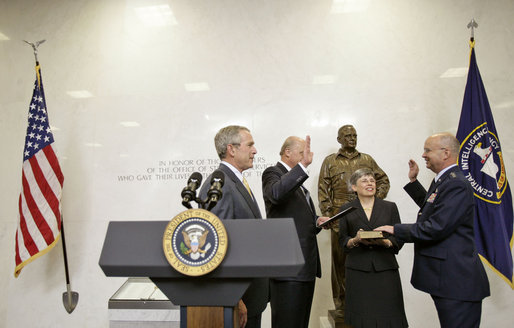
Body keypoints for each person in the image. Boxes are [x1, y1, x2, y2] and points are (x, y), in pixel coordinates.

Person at [375, 133, 490, 328]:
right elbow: (433, 209)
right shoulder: (444, 180)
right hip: (448, 281)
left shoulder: (456, 184)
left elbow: (437, 227)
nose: (423, 155)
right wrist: (413, 183)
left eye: (428, 150)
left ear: (446, 153)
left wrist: (395, 229)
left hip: (457, 283)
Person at [199, 125, 268, 328]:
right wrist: (234, 297)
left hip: (252, 293)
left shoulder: (234, 182)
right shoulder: (219, 185)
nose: (255, 151)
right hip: (240, 298)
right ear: (232, 149)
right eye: (250, 145)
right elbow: (217, 246)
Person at [318, 124, 390, 319]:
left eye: (354, 135)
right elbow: (323, 191)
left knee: (366, 259)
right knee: (340, 263)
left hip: (364, 217)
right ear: (339, 139)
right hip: (339, 219)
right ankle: (341, 305)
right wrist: (329, 218)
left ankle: (365, 302)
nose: (352, 138)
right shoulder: (330, 161)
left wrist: (374, 202)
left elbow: (383, 180)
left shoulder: (366, 160)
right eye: (347, 135)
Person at [261, 136, 330, 328]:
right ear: (287, 152)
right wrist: (303, 167)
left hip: (305, 267)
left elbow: (295, 217)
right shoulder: (272, 173)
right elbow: (276, 194)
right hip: (288, 270)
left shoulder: (296, 180)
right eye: (301, 153)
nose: (305, 156)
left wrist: (316, 221)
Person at [338, 168, 408, 328]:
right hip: (358, 270)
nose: (370, 183)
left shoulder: (390, 207)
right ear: (354, 187)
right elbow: (342, 241)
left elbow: (399, 236)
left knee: (389, 317)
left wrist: (386, 242)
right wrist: (355, 240)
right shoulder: (346, 209)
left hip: (385, 269)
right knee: (361, 319)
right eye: (364, 180)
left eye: (372, 180)